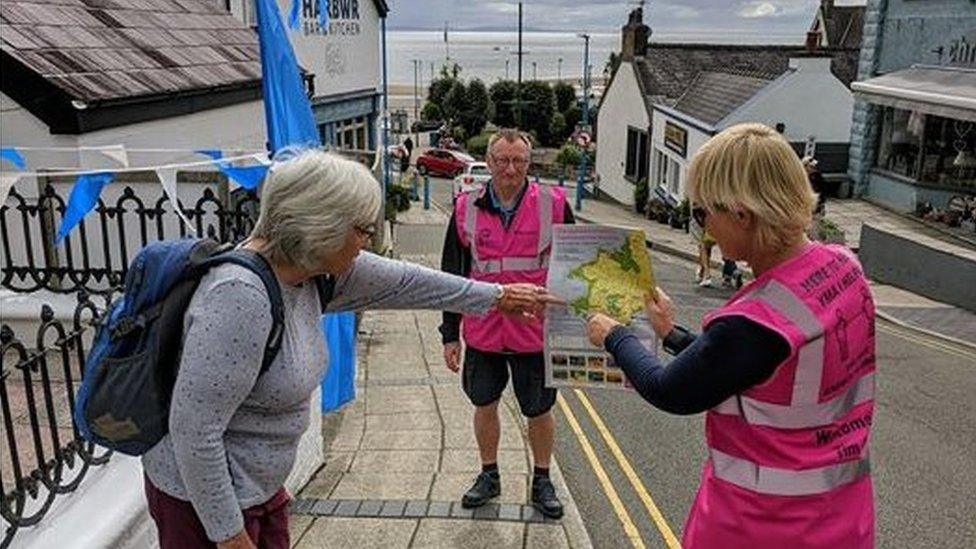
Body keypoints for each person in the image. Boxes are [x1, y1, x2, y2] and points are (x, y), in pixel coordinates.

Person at [142, 150, 559, 549]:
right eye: (361, 229)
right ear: (319, 225)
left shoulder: (312, 273)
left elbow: (409, 282)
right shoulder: (239, 296)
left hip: (259, 491)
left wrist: (498, 295)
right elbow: (194, 433)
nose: (368, 240)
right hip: (204, 507)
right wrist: (231, 537)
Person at [586, 123, 876, 548]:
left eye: (703, 212)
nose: (703, 228)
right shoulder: (841, 268)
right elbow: (753, 370)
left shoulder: (756, 319)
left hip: (761, 524)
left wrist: (616, 336)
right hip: (840, 517)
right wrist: (670, 334)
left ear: (742, 213)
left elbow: (670, 390)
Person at [440, 128, 575, 519]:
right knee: (484, 403)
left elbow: (576, 267)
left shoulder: (554, 203)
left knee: (539, 409)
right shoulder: (465, 206)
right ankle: (489, 475)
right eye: (501, 160)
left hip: (534, 332)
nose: (510, 169)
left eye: (518, 161)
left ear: (529, 164)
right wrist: (450, 334)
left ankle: (542, 479)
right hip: (483, 329)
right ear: (490, 162)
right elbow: (453, 274)